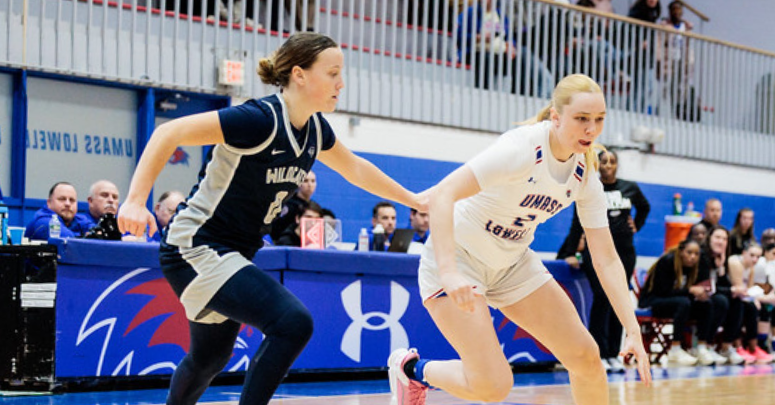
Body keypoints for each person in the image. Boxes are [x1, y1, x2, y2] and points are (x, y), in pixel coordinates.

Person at [118, 32, 426, 405]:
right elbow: (169, 132)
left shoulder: (314, 130)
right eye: (332, 73)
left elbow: (357, 169)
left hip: (232, 254)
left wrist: (414, 199)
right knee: (293, 323)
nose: (341, 83)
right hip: (196, 246)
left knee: (209, 358)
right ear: (299, 74)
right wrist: (135, 200)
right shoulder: (257, 119)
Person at [388, 74, 651, 405]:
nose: (591, 129)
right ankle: (411, 369)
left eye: (599, 120)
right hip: (460, 258)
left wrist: (632, 328)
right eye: (581, 119)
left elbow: (608, 258)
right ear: (556, 117)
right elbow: (443, 194)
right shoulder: (522, 149)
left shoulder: (585, 175)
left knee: (586, 357)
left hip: (512, 263)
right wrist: (449, 271)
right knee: (493, 386)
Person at [556, 149, 650, 372]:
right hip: (597, 250)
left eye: (612, 161)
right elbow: (577, 222)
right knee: (601, 297)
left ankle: (614, 354)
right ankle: (599, 351)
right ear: (597, 165)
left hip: (625, 251)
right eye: (604, 161)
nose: (608, 165)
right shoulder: (590, 186)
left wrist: (637, 224)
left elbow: (645, 207)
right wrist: (570, 251)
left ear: (617, 165)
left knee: (620, 300)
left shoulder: (630, 187)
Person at [638, 239, 726, 366]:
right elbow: (662, 291)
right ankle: (675, 349)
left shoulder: (695, 266)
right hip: (654, 300)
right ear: (680, 252)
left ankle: (701, 347)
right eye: (689, 253)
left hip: (679, 303)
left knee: (707, 303)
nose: (692, 257)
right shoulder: (667, 261)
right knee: (683, 303)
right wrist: (690, 290)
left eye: (696, 254)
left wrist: (702, 293)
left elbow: (700, 286)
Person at [24, 182, 92, 240]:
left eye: (72, 200)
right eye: (62, 199)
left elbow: (98, 232)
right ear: (49, 203)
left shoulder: (79, 219)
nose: (68, 204)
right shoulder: (43, 220)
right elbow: (69, 241)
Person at [270, 170, 319, 241]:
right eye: (305, 181)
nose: (309, 185)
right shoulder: (288, 205)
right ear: (298, 183)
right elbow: (275, 229)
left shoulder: (314, 206)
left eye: (313, 181)